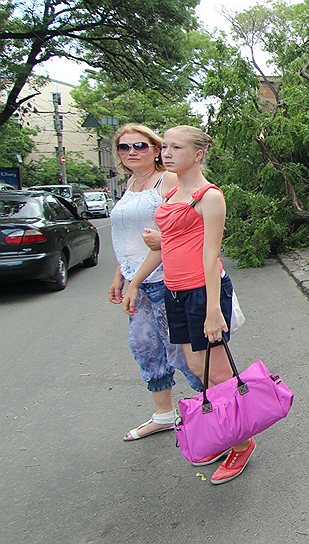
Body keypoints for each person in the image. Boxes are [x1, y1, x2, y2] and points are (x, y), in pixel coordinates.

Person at [123, 125, 255, 485]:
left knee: (218, 372)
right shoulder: (169, 191)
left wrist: (214, 309)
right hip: (175, 291)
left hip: (203, 291)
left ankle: (241, 443)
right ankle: (228, 435)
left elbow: (212, 256)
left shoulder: (209, 196)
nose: (166, 153)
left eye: (175, 147)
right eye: (164, 146)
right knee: (197, 367)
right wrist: (134, 282)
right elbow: (164, 248)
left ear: (197, 154)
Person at [108, 124, 204, 442]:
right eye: (125, 147)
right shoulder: (131, 184)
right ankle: (164, 415)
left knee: (186, 353)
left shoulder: (168, 180)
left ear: (156, 149)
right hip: (137, 279)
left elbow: (190, 225)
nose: (132, 152)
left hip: (166, 279)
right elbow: (127, 238)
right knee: (146, 347)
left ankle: (217, 411)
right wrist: (120, 276)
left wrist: (162, 241)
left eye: (140, 146)